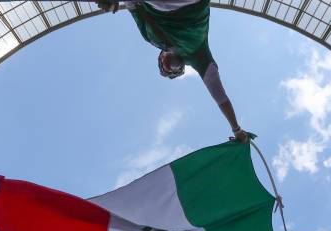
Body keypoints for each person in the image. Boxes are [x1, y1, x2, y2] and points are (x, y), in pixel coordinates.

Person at [98, 0, 249, 143]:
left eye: (163, 67)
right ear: (182, 68)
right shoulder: (198, 55)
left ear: (161, 55)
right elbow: (220, 96)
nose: (167, 68)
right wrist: (236, 129)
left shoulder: (149, 37)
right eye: (171, 72)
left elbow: (132, 5)